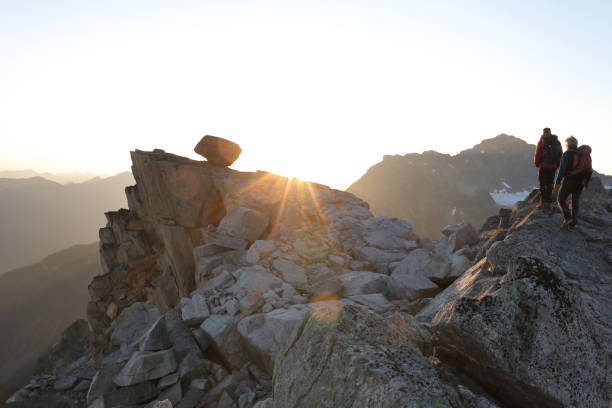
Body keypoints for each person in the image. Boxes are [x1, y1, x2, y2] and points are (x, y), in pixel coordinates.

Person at [555, 136, 592, 231]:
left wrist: (558, 181)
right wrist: (586, 183)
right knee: (575, 203)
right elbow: (589, 170)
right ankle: (572, 225)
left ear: (567, 144)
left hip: (569, 181)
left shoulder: (567, 154)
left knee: (561, 199)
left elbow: (562, 169)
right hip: (580, 183)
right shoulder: (584, 155)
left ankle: (568, 218)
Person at [533, 127, 562, 208]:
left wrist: (537, 164)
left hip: (543, 166)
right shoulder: (556, 141)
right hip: (553, 166)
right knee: (550, 184)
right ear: (550, 132)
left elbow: (537, 154)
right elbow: (560, 153)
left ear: (543, 132)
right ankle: (549, 202)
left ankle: (543, 202)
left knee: (542, 184)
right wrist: (557, 164)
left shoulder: (541, 141)